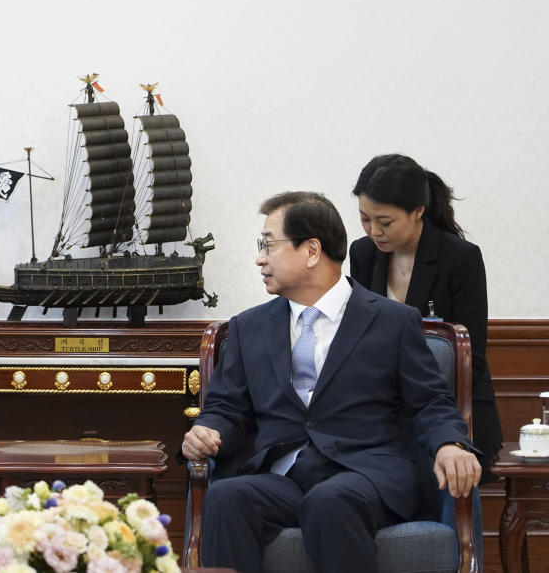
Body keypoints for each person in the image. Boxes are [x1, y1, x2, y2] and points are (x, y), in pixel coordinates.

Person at [182, 191, 480, 573]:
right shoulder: (248, 328)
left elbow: (430, 402)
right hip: (284, 477)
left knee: (330, 500)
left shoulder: (391, 321)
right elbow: (226, 407)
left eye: (268, 245)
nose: (260, 257)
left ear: (311, 251)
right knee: (226, 496)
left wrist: (450, 444)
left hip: (365, 475)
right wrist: (207, 430)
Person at [350, 153, 502, 482]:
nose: (374, 231)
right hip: (384, 412)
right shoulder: (362, 254)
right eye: (365, 219)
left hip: (452, 408)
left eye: (385, 222)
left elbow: (471, 359)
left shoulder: (460, 258)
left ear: (418, 211)